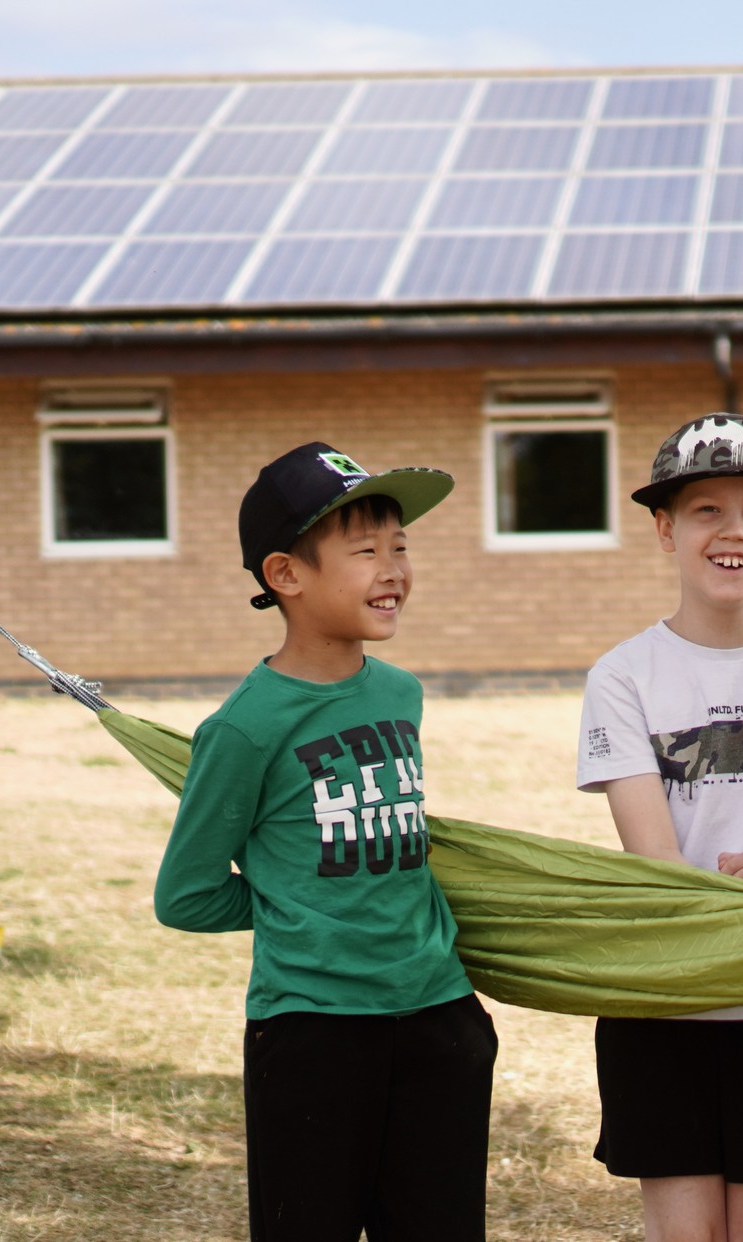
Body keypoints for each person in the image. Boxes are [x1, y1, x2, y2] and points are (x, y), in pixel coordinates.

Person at [154, 442, 497, 1242]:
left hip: (440, 1018)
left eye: (401, 547)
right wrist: (297, 906)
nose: (393, 569)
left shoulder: (400, 693)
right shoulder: (244, 729)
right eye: (365, 550)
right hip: (312, 1034)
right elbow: (188, 893)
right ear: (286, 575)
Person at [577, 414, 743, 1242]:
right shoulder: (622, 677)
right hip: (664, 1004)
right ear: (664, 530)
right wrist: (729, 893)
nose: (734, 532)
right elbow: (653, 858)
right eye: (704, 511)